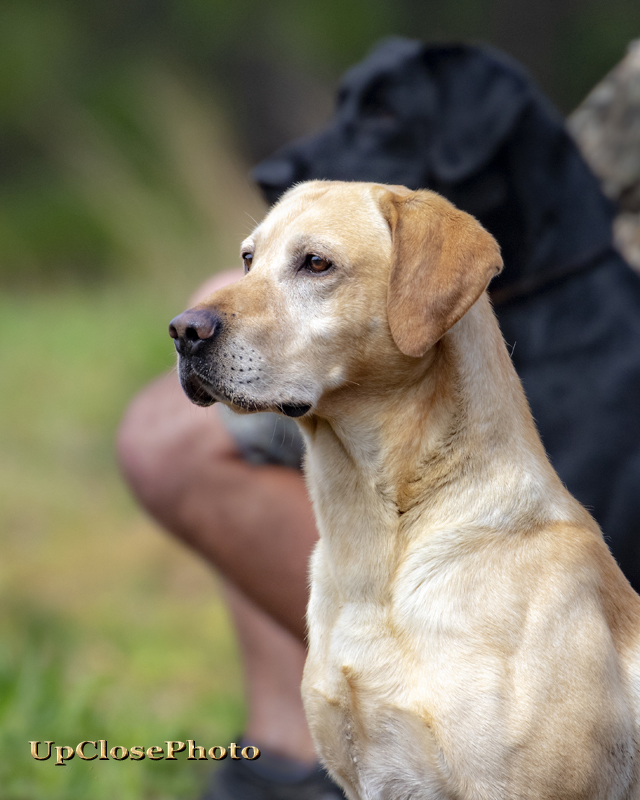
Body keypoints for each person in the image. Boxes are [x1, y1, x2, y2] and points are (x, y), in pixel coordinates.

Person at [118, 39, 640, 800]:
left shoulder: (533, 591)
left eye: (314, 268)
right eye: (253, 260)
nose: (200, 322)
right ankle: (280, 756)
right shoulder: (333, 584)